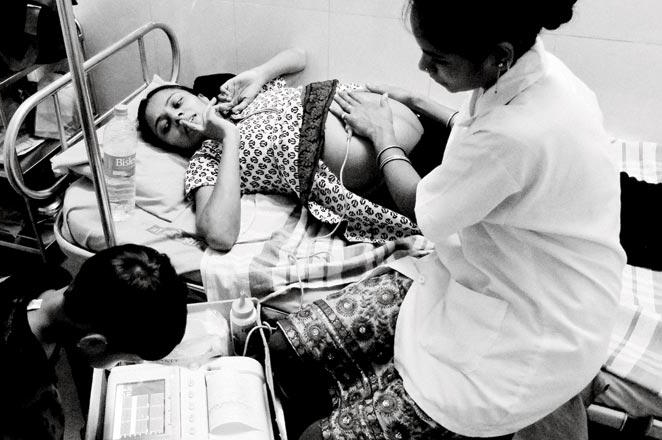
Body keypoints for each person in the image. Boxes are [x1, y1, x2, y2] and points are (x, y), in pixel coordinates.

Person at [261, 1, 626, 439]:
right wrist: (419, 103)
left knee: (315, 435)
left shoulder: (514, 134)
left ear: (499, 56)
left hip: (533, 327)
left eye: (437, 59)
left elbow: (422, 207)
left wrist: (383, 137)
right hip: (503, 271)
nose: (422, 65)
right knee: (280, 346)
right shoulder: (542, 76)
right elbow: (480, 134)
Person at [137, 48, 456, 250]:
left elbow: (299, 56)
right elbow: (219, 234)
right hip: (401, 180)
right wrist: (227, 136)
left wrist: (260, 73)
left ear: (198, 96)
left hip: (430, 128)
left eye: (176, 103)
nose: (176, 117)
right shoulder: (206, 161)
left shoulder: (237, 97)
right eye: (165, 127)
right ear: (169, 146)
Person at [0, 244, 188, 440]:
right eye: (127, 358)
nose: (130, 364)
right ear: (93, 343)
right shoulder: (23, 381)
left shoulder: (53, 278)